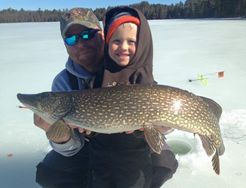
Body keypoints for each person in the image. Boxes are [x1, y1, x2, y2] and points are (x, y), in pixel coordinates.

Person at [90, 6, 178, 188]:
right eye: (116, 41)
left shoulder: (144, 78)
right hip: (99, 155)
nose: (123, 47)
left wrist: (162, 128)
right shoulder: (99, 74)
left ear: (142, 43)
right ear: (107, 43)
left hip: (134, 155)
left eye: (131, 41)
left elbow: (163, 120)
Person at [34, 8, 104, 188]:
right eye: (72, 39)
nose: (80, 44)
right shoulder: (63, 83)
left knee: (163, 163)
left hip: (131, 144)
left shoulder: (124, 66)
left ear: (102, 35)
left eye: (87, 34)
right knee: (50, 174)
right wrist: (61, 138)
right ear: (66, 46)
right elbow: (73, 149)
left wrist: (163, 128)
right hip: (87, 147)